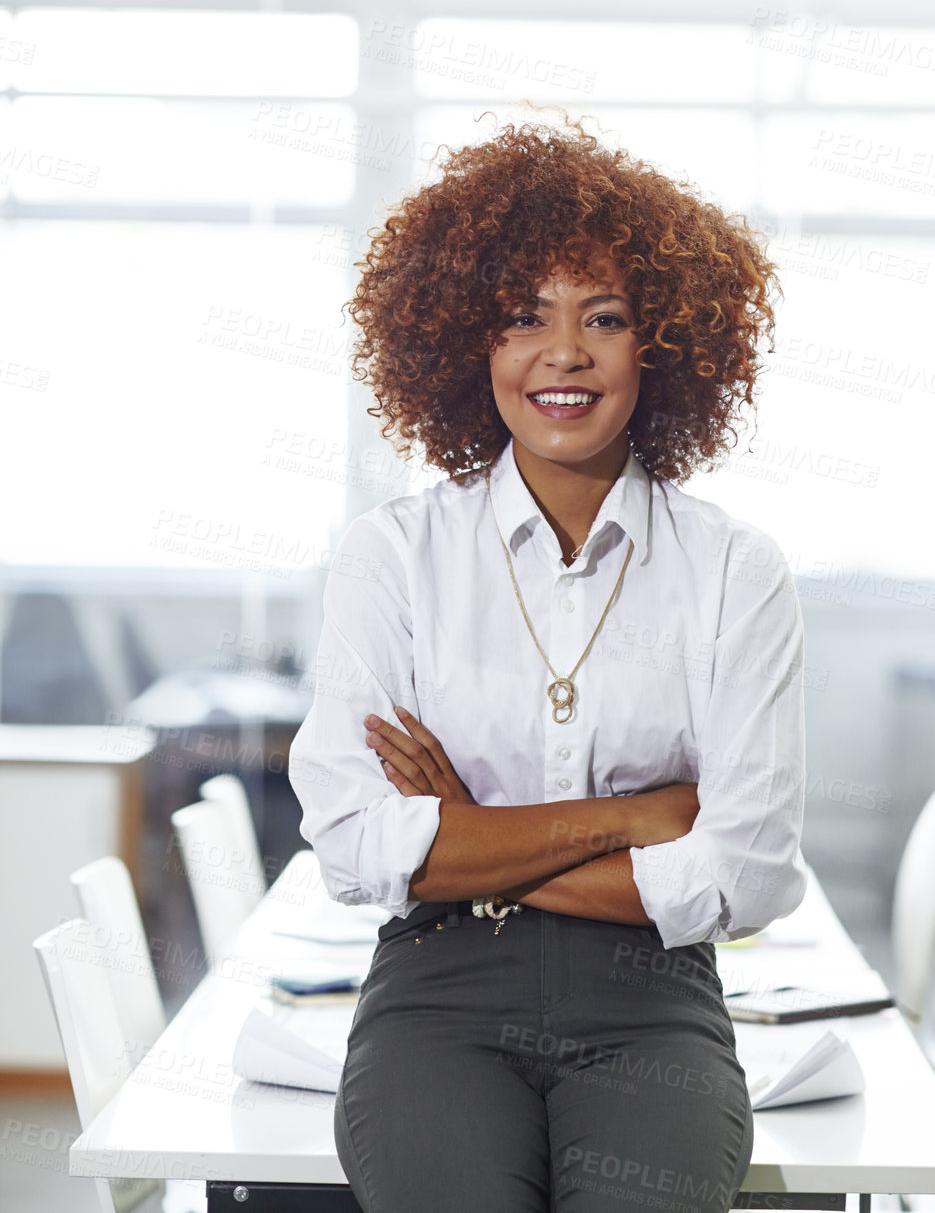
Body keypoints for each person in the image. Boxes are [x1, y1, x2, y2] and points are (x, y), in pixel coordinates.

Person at [288, 116, 807, 1213]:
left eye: (603, 319)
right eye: (522, 317)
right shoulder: (394, 555)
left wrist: (465, 830)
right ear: (464, 342)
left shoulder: (733, 570)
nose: (561, 353)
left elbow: (750, 874)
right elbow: (351, 844)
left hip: (650, 1006)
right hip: (438, 995)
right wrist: (634, 816)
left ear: (659, 344)